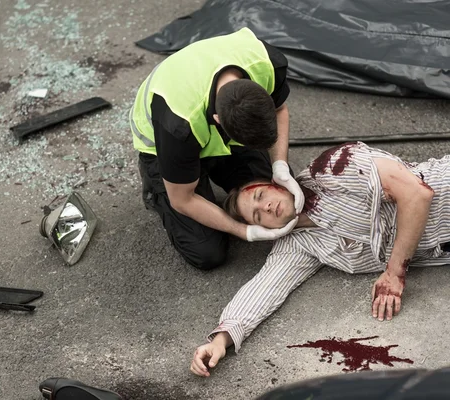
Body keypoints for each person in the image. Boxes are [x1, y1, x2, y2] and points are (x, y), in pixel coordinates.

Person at [190, 141, 450, 377]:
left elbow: (417, 193)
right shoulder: (300, 244)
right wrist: (220, 340)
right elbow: (265, 287)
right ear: (261, 231)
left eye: (261, 196)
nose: (266, 207)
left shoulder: (334, 167)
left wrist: (394, 273)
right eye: (258, 216)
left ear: (275, 183)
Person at [129, 27, 305, 270]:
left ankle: (232, 173)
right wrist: (243, 230)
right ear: (219, 121)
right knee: (207, 252)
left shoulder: (266, 63)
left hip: (204, 119)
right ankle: (155, 190)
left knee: (271, 184)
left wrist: (280, 164)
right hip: (164, 146)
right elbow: (183, 201)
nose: (265, 206)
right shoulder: (177, 125)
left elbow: (279, 110)